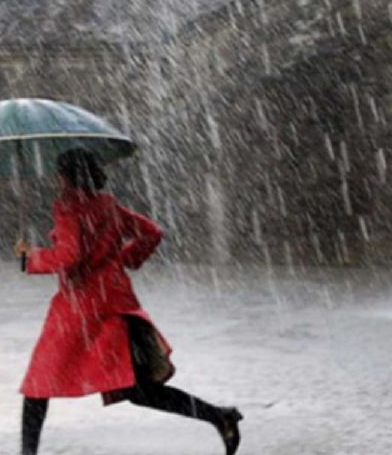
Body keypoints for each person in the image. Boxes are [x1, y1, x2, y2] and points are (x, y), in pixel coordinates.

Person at [13, 149, 242, 455]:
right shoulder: (107, 205)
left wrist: (31, 258)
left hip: (80, 311)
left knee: (38, 384)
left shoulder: (68, 207)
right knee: (138, 390)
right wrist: (124, 259)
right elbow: (152, 232)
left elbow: (70, 256)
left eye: (59, 173)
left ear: (64, 176)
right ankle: (220, 417)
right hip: (115, 305)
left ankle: (28, 454)